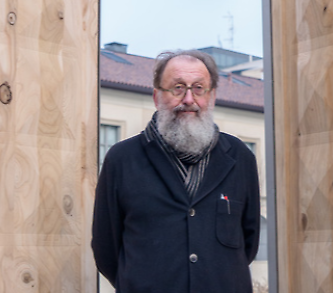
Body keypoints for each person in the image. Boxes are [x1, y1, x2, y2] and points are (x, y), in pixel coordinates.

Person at [91, 49, 261, 293]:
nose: (189, 99)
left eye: (199, 88)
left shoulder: (239, 157)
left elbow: (249, 241)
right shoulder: (121, 159)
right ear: (157, 96)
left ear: (211, 97)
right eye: (178, 88)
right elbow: (106, 247)